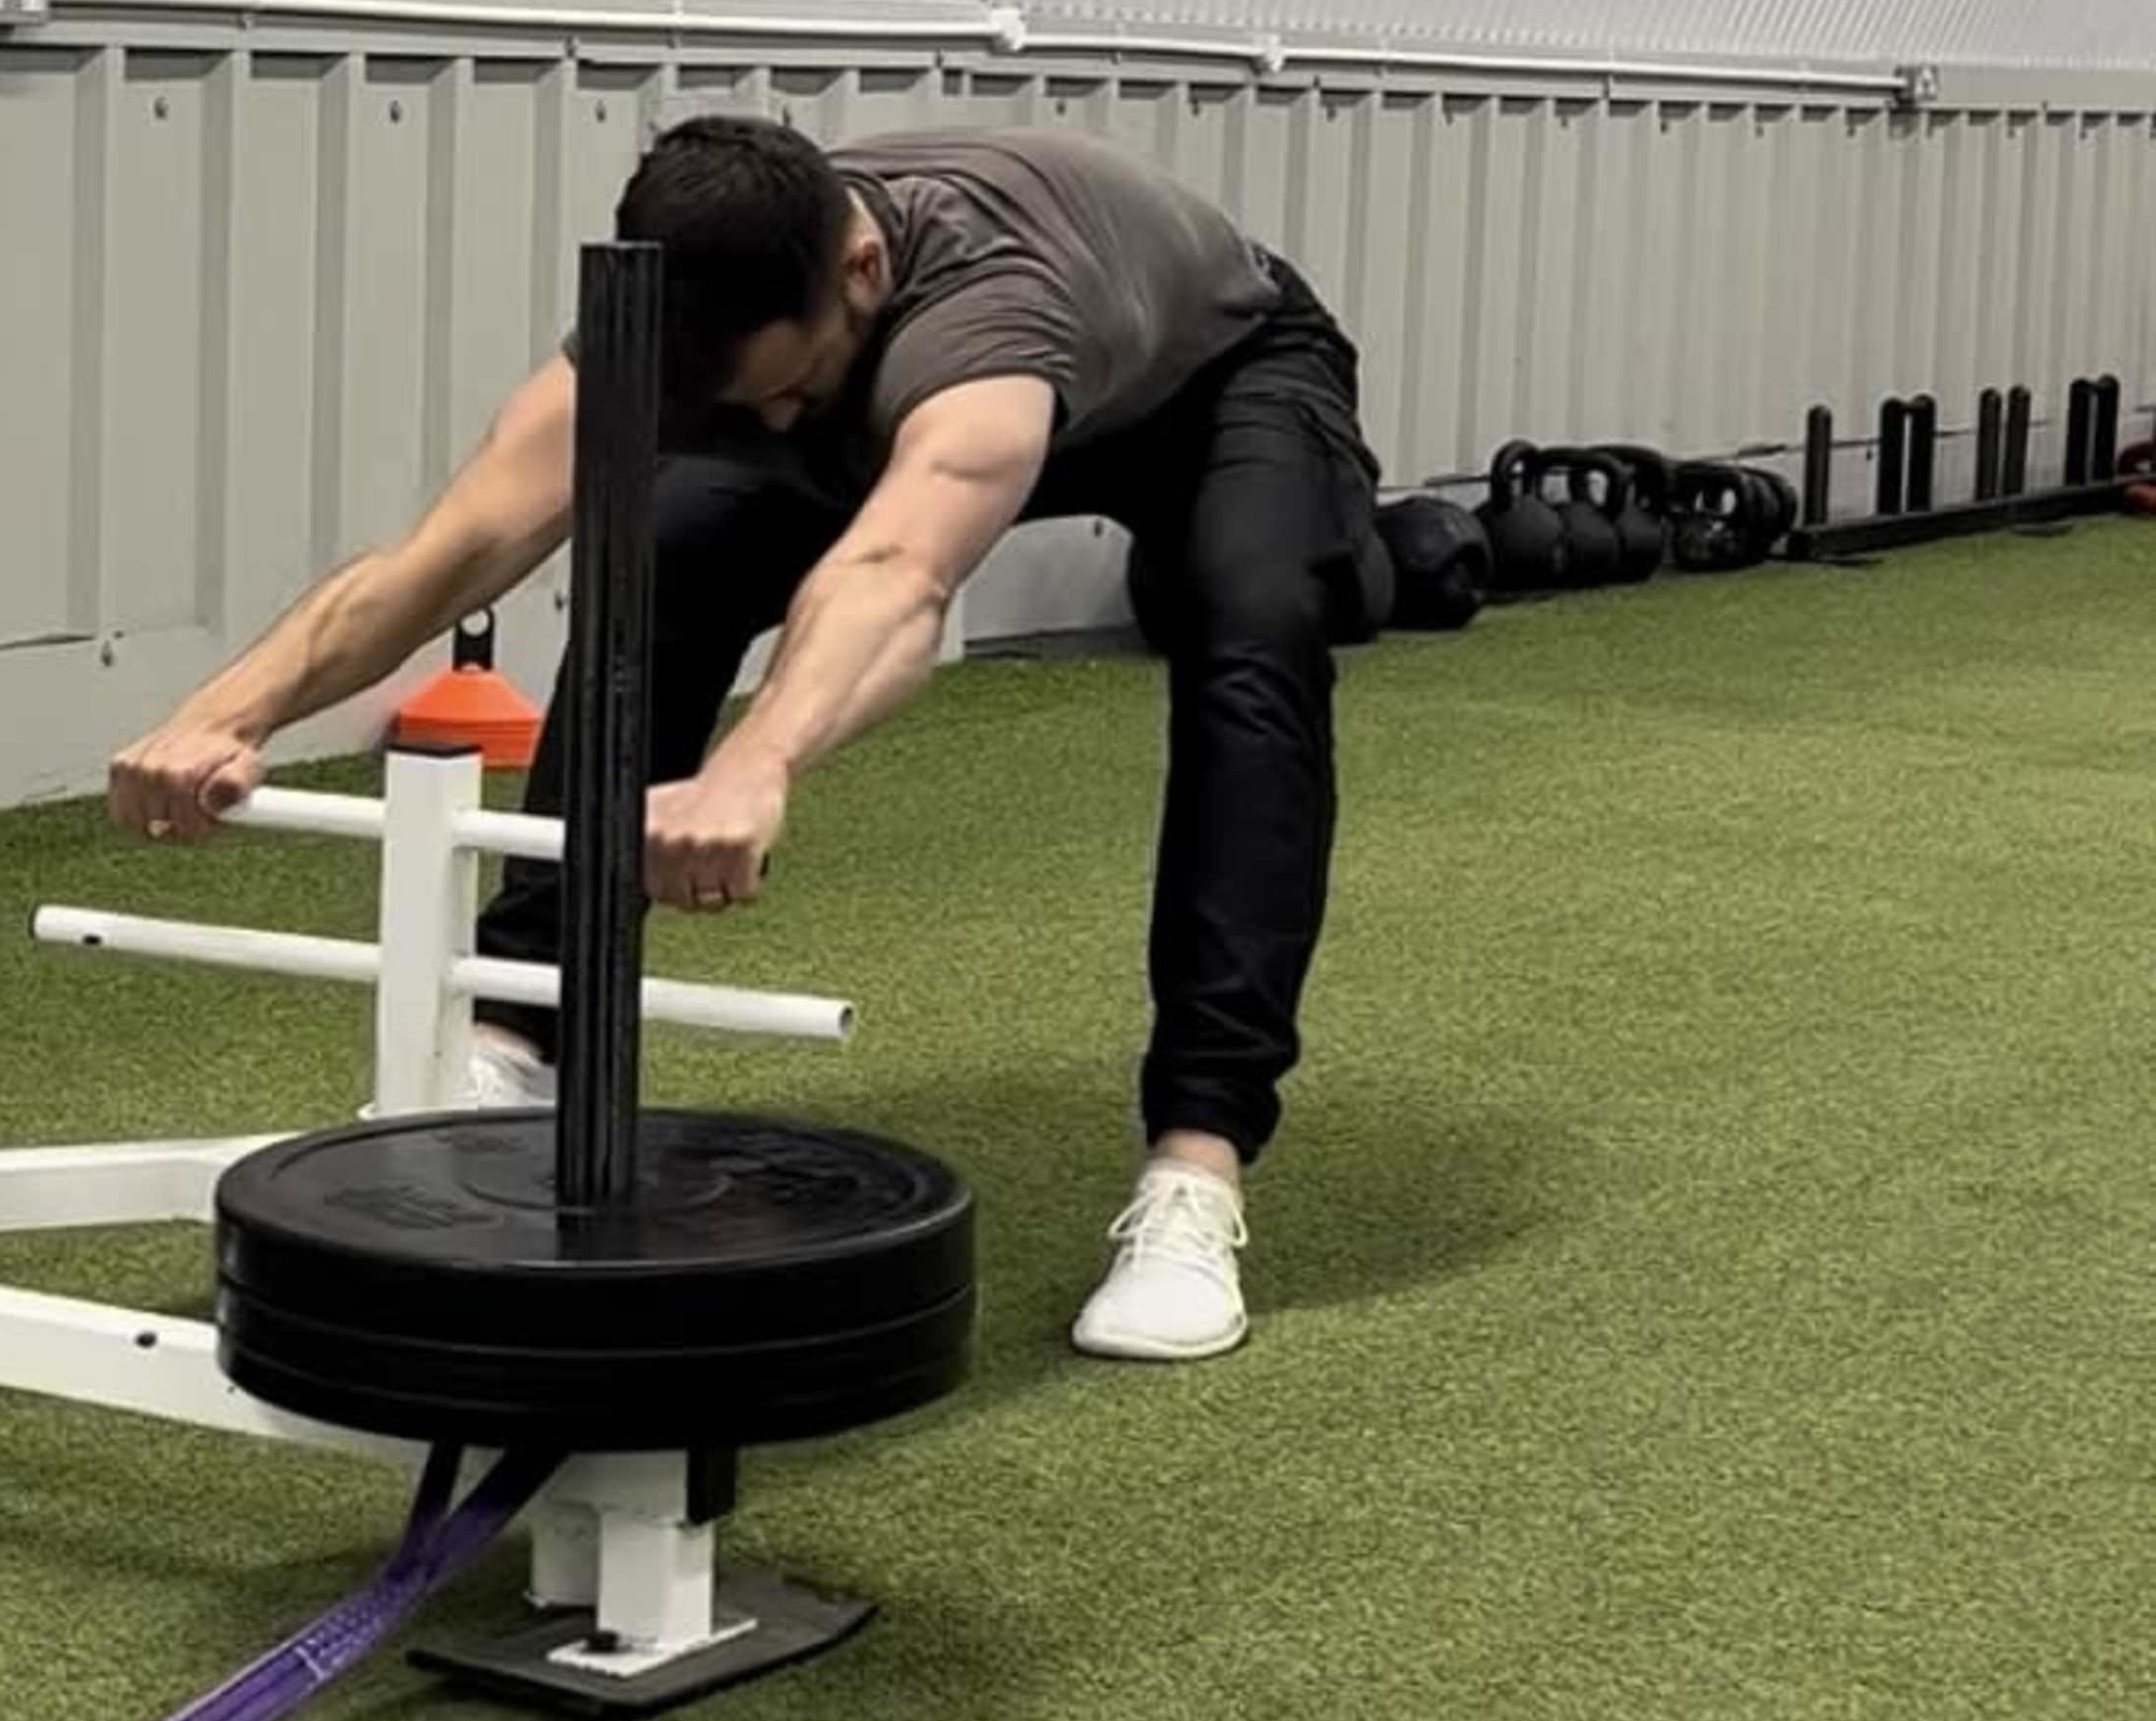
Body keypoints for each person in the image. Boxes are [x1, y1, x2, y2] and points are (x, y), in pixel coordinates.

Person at [107, 111, 1394, 1363]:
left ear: (861, 270)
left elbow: (902, 578)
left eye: (791, 389)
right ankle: (519, 1037)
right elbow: (449, 552)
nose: (775, 424)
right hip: (923, 394)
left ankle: (1196, 1166)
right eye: (739, 400)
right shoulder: (677, 325)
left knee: (1253, 626)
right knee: (665, 552)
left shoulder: (989, 309)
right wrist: (227, 709)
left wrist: (755, 762)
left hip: (1213, 383)